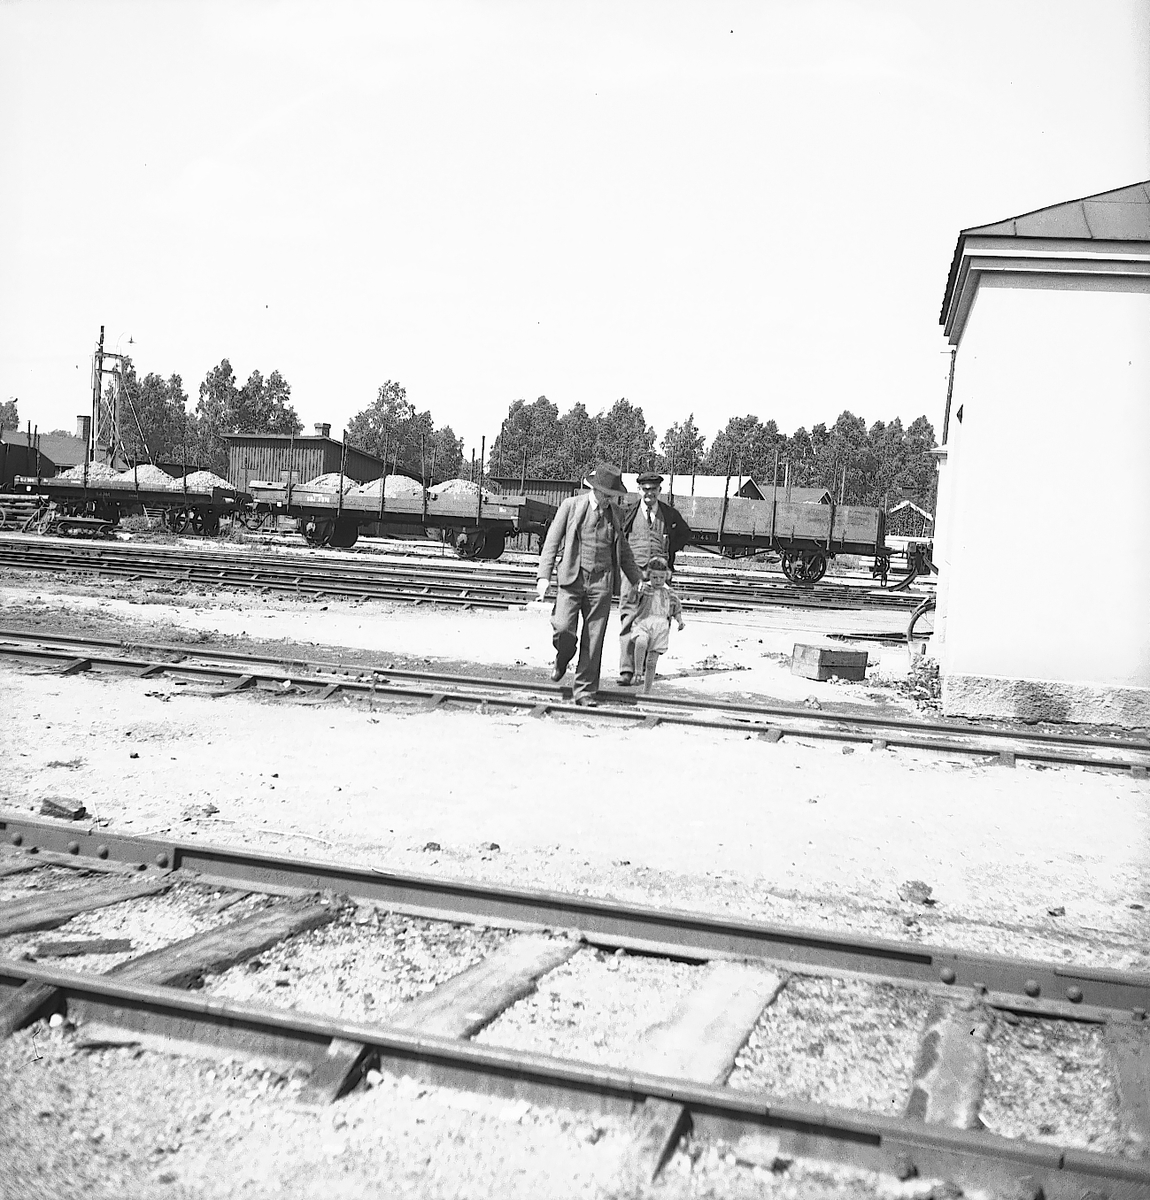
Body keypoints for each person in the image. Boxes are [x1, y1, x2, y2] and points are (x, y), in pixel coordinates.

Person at [535, 464, 642, 706]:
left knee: (594, 640)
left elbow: (624, 550)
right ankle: (563, 657)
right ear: (596, 490)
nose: (610, 500)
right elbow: (552, 542)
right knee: (563, 628)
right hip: (572, 579)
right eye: (608, 495)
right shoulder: (571, 506)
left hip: (601, 582)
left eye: (613, 496)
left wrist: (637, 580)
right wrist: (544, 576)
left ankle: (584, 691)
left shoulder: (616, 514)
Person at [617, 471, 692, 685]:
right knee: (629, 616)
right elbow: (618, 537)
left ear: (660, 490)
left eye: (653, 489)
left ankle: (644, 667)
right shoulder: (628, 513)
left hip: (658, 575)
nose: (649, 493)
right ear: (639, 490)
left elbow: (685, 534)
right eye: (645, 489)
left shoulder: (669, 514)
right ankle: (627, 670)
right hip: (632, 572)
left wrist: (668, 553)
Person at [630, 556, 685, 693]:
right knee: (641, 641)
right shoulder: (646, 589)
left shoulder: (669, 593)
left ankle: (647, 690)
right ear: (649, 576)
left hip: (661, 627)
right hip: (644, 621)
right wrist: (636, 590)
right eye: (654, 577)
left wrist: (680, 621)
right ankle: (637, 672)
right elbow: (633, 599)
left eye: (661, 577)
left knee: (652, 662)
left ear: (666, 576)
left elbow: (676, 609)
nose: (658, 581)